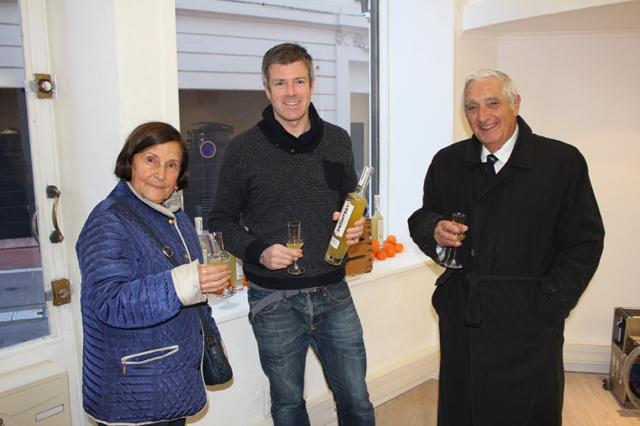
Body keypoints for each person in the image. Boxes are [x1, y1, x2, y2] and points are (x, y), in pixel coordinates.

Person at [408, 69, 605, 426]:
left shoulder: (562, 162)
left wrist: (548, 306)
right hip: (464, 314)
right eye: (471, 107)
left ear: (515, 104)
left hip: (528, 320)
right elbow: (423, 215)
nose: (482, 117)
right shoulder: (448, 161)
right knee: (463, 411)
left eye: (492, 103)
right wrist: (433, 229)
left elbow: (584, 242)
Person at [208, 43, 375, 426]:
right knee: (287, 407)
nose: (291, 92)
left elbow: (349, 206)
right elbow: (220, 219)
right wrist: (258, 252)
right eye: (280, 83)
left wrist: (356, 228)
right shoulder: (242, 150)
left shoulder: (337, 140)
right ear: (266, 90)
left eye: (299, 81)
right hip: (274, 300)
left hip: (334, 294)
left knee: (358, 403)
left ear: (312, 84)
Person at [76, 122, 231, 426]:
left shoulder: (176, 217)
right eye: (151, 160)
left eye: (171, 164)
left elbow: (185, 292)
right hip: (135, 390)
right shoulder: (109, 219)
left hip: (171, 382)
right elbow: (109, 302)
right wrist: (188, 282)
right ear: (129, 161)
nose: (161, 174)